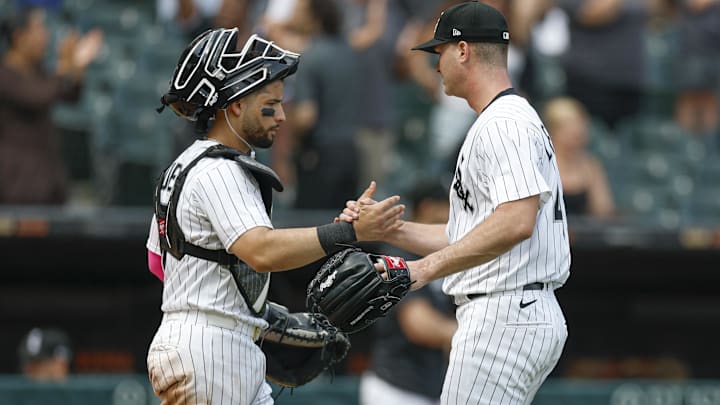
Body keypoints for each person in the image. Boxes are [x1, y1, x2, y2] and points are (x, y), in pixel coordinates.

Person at [145, 28, 404, 404]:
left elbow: (159, 264)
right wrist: (346, 232)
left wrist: (251, 313)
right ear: (234, 104)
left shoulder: (185, 165)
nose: (282, 116)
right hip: (210, 351)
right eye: (270, 105)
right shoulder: (219, 170)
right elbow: (261, 251)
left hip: (212, 341)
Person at [341, 3, 570, 403]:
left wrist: (421, 270)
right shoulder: (502, 119)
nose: (435, 65)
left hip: (505, 312)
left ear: (463, 50)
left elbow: (517, 222)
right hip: (513, 308)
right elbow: (469, 235)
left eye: (440, 52)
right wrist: (391, 229)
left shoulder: (504, 123)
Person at [359, 180, 457, 405]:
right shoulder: (395, 254)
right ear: (428, 207)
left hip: (432, 386)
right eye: (449, 204)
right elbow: (418, 324)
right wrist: (472, 335)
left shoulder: (451, 253)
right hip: (396, 388)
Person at [0, 6, 102, 205]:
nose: (45, 36)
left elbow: (71, 95)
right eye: (38, 30)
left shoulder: (38, 71)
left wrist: (78, 67)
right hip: (15, 185)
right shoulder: (5, 75)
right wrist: (67, 66)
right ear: (19, 37)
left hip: (47, 180)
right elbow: (38, 95)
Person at [543, 96, 615, 219]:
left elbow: (603, 211)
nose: (578, 132)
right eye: (570, 128)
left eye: (580, 127)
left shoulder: (590, 166)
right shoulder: (542, 165)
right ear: (553, 131)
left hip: (584, 236)